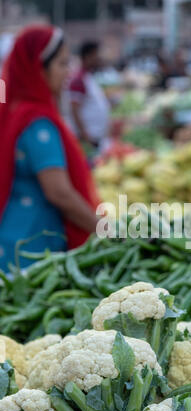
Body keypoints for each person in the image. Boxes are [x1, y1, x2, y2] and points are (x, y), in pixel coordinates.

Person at [0, 26, 99, 271]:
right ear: (38, 68)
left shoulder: (14, 111)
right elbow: (59, 193)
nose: (68, 72)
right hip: (31, 249)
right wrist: (104, 229)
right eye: (62, 64)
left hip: (12, 237)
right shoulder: (37, 123)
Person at [65, 41, 111, 152]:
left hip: (95, 137)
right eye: (96, 55)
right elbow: (74, 109)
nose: (99, 58)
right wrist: (85, 135)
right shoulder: (78, 79)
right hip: (88, 139)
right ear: (88, 56)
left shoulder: (87, 76)